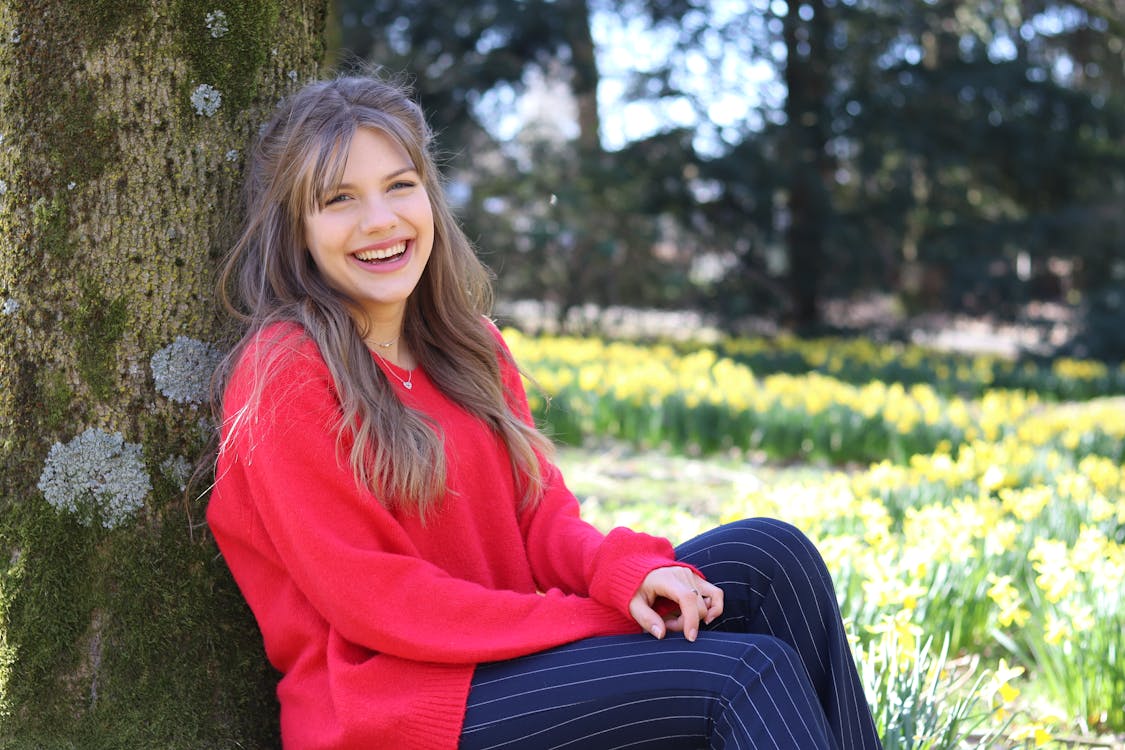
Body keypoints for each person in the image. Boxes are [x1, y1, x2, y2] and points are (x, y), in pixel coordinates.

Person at [206, 72, 883, 750]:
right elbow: (377, 601)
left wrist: (626, 574)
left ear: (430, 197)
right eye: (338, 199)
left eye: (399, 185)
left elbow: (543, 521)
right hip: (398, 708)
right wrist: (597, 615)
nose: (379, 219)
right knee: (743, 672)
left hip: (506, 657)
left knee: (772, 556)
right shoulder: (286, 371)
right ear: (296, 228)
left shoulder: (470, 346)